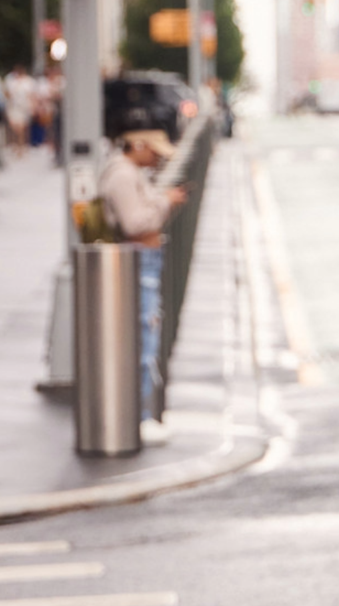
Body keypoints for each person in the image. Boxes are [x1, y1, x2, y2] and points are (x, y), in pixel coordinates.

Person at [98, 129, 187, 443]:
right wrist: (165, 201)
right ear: (137, 145)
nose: (157, 159)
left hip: (145, 260)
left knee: (147, 333)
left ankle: (142, 414)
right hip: (139, 261)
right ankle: (141, 416)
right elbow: (134, 223)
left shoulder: (129, 171)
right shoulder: (122, 175)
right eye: (154, 152)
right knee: (144, 337)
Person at [4, 65, 36, 158]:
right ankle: (16, 145)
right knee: (15, 128)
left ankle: (23, 146)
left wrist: (33, 106)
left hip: (24, 107)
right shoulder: (11, 81)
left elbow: (31, 94)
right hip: (14, 107)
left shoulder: (28, 82)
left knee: (23, 128)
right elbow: (7, 94)